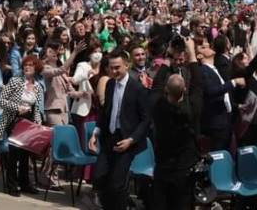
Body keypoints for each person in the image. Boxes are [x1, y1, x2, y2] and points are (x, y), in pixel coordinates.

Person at [88, 48, 151, 210]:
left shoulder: (137, 89)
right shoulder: (109, 84)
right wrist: (95, 133)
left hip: (126, 141)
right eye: (111, 68)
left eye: (117, 67)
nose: (114, 71)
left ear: (127, 66)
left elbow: (145, 120)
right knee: (99, 176)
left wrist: (131, 140)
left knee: (117, 183)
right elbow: (105, 111)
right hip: (109, 138)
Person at [151, 37, 202, 210]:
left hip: (163, 165)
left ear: (166, 90)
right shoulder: (192, 108)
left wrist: (167, 57)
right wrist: (193, 53)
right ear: (185, 90)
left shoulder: (158, 106)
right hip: (184, 168)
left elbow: (156, 85)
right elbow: (198, 84)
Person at [0, 55, 45, 197]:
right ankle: (11, 184)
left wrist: (38, 124)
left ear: (36, 68)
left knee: (25, 154)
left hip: (28, 121)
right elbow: (0, 100)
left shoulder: (38, 87)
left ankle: (25, 183)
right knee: (14, 153)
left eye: (31, 65)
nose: (27, 67)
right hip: (13, 119)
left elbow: (37, 109)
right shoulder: (15, 81)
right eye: (25, 65)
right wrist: (16, 107)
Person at [197, 36, 244, 151]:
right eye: (203, 47)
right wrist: (233, 82)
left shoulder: (214, 68)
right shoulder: (203, 70)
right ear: (199, 55)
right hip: (216, 121)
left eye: (208, 44)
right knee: (219, 152)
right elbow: (211, 91)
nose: (208, 46)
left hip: (225, 118)